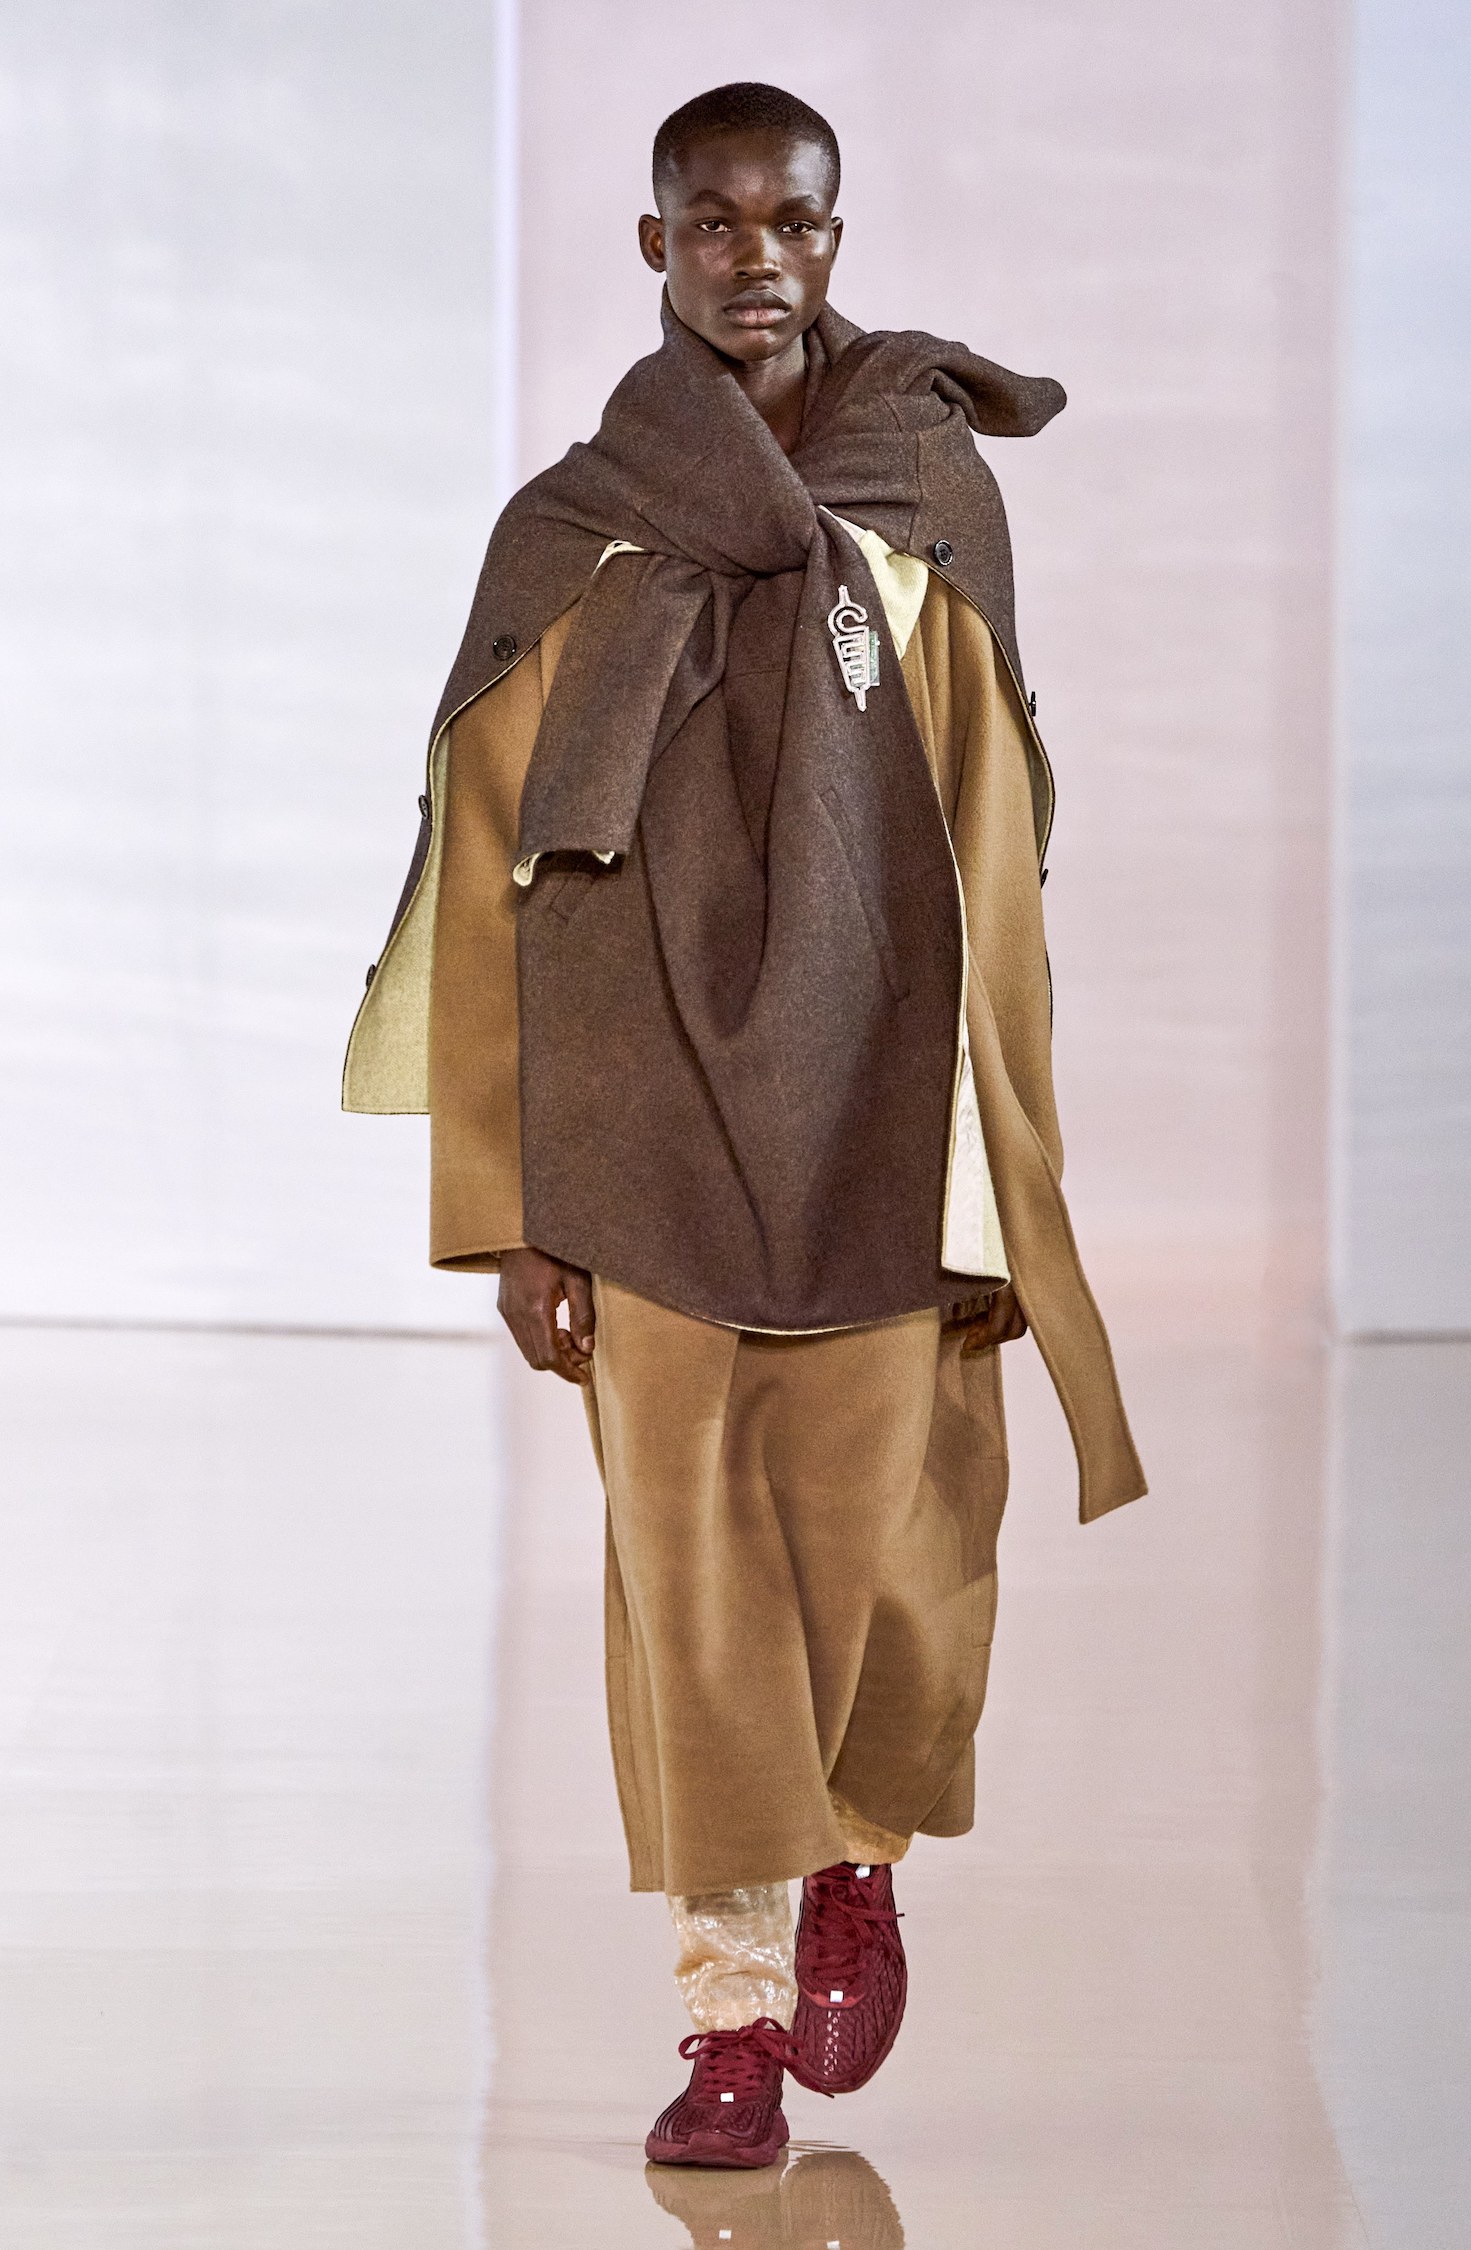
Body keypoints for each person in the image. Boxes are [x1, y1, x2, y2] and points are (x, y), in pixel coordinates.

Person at [344, 80, 1145, 2170]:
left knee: (896, 1559)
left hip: (882, 1117)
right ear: (656, 246)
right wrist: (509, 1204)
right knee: (691, 1594)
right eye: (712, 222)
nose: (755, 257)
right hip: (643, 1136)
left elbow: (994, 859)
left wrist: (1004, 1170)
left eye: (790, 221)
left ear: (834, 238)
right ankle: (727, 2025)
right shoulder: (573, 534)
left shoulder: (926, 506)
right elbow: (496, 878)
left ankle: (854, 1850)